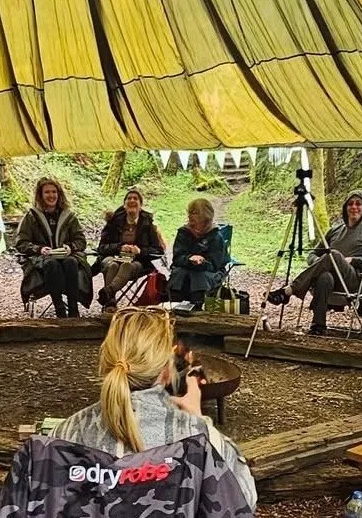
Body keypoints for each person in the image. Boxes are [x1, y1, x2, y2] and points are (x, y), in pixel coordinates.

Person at [51, 307, 257, 511]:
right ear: (167, 370)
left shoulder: (64, 435)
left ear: (105, 363)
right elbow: (244, 500)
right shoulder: (201, 438)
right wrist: (201, 421)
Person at [266, 190, 362, 336]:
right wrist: (321, 262)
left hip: (353, 281)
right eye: (350, 204)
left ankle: (289, 290)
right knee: (325, 276)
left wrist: (353, 260)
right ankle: (318, 325)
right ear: (345, 207)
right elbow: (312, 254)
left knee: (333, 254)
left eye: (359, 204)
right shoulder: (335, 230)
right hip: (333, 280)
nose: (354, 207)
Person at [15, 178, 91, 318]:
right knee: (52, 263)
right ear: (40, 195)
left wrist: (70, 247)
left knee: (71, 262)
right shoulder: (31, 217)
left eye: (54, 192)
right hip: (42, 258)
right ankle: (60, 309)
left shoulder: (69, 216)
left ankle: (73, 309)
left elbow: (80, 240)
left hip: (66, 256)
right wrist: (39, 249)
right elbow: (21, 242)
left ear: (59, 194)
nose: (51, 195)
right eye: (47, 192)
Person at [95, 188, 164, 311]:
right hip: (114, 257)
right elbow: (101, 247)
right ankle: (110, 302)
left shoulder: (148, 224)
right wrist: (119, 247)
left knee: (127, 265)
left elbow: (158, 250)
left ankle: (108, 292)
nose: (132, 200)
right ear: (124, 205)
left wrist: (139, 251)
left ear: (141, 205)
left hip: (138, 261)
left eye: (135, 198)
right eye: (129, 198)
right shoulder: (113, 222)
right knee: (112, 265)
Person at [168, 198, 228, 306]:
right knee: (178, 274)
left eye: (194, 213)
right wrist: (189, 259)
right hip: (185, 268)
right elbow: (177, 258)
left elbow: (215, 265)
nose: (190, 216)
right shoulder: (183, 232)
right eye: (189, 212)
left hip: (209, 272)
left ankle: (198, 310)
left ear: (205, 216)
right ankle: (175, 309)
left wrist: (202, 261)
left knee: (198, 276)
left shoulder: (215, 236)